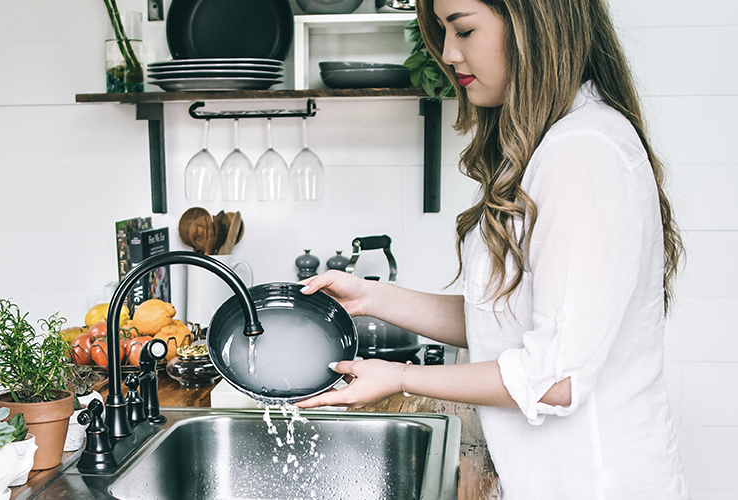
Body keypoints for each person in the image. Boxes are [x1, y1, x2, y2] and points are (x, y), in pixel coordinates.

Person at [296, 0, 690, 498]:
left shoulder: (582, 153)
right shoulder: (550, 145)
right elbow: (503, 324)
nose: (448, 53)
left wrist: (400, 376)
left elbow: (554, 380)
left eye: (463, 30)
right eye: (442, 32)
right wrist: (369, 297)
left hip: (593, 483)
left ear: (534, 25)